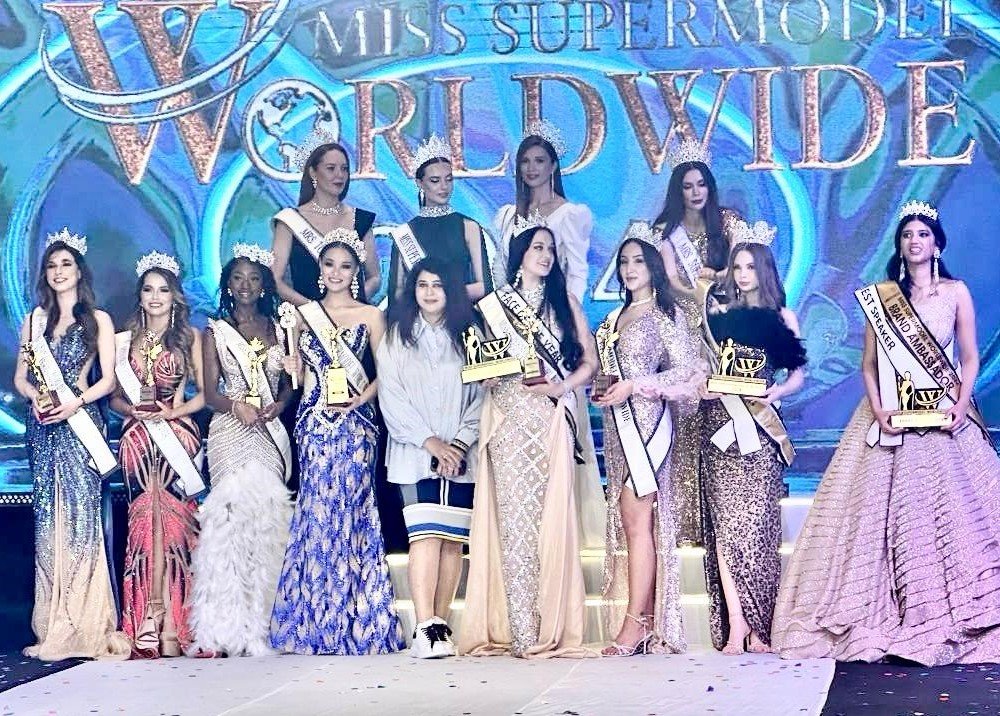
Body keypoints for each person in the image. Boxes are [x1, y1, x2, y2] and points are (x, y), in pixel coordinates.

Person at [772, 201, 1000, 665]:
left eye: (923, 234)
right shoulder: (882, 298)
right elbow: (869, 366)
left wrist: (960, 405)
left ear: (937, 244)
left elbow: (970, 356)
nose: (914, 242)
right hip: (890, 419)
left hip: (942, 416)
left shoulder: (955, 292)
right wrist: (878, 410)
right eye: (907, 235)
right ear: (899, 245)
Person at [459, 217, 598, 658]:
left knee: (550, 521)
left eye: (550, 249)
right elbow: (481, 362)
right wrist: (485, 375)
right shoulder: (493, 306)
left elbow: (590, 363)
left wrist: (562, 387)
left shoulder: (564, 303)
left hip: (550, 421)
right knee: (514, 522)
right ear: (519, 255)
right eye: (537, 247)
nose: (545, 256)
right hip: (507, 421)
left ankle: (548, 625)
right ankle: (520, 629)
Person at [270, 230, 404, 655]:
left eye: (346, 266)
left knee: (353, 510)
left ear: (356, 272)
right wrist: (289, 363)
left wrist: (359, 401)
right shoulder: (302, 316)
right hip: (314, 424)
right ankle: (315, 620)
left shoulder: (371, 316)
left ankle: (355, 618)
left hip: (357, 425)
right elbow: (297, 378)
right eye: (329, 265)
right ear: (319, 270)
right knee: (317, 511)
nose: (336, 273)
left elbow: (388, 373)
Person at [13, 228, 128, 660]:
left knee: (80, 520)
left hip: (79, 424)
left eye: (66, 264)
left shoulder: (98, 319)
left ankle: (84, 624)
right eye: (52, 265)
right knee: (49, 521)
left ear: (80, 271)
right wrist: (36, 398)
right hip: (43, 428)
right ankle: (51, 625)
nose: (59, 271)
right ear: (45, 273)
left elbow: (109, 381)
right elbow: (21, 378)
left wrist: (74, 402)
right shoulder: (33, 321)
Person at [592, 223, 706, 656]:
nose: (630, 268)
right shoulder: (612, 319)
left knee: (637, 518)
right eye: (624, 261)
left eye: (638, 260)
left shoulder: (664, 314)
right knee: (631, 522)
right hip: (619, 430)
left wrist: (637, 385)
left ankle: (636, 623)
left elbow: (689, 371)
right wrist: (605, 389)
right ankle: (642, 619)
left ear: (653, 266)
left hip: (650, 427)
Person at [699, 221, 806, 655]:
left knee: (758, 529)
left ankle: (761, 623)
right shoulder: (719, 318)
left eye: (750, 267)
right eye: (737, 267)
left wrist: (774, 393)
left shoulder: (782, 318)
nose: (743, 275)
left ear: (765, 270)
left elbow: (797, 374)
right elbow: (705, 368)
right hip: (721, 432)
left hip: (760, 431)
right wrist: (706, 385)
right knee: (726, 530)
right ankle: (736, 624)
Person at [189, 245, 294, 657]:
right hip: (230, 431)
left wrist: (279, 405)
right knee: (229, 524)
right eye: (238, 278)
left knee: (267, 520)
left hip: (267, 430)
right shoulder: (215, 331)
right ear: (228, 285)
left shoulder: (279, 327)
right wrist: (237, 407)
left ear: (264, 284)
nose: (246, 285)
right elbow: (210, 393)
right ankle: (223, 627)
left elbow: (288, 385)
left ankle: (264, 622)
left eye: (253, 278)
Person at [376, 257, 483, 658]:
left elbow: (481, 394)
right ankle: (424, 626)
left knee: (452, 540)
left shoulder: (469, 335)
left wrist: (459, 443)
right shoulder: (397, 337)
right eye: (423, 285)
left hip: (461, 456)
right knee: (424, 534)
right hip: (414, 455)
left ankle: (442, 625)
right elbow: (392, 398)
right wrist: (432, 443)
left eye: (437, 285)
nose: (430, 292)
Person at [110, 253, 206, 658]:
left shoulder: (190, 337)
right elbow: (115, 398)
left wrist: (172, 414)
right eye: (148, 289)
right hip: (136, 438)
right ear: (140, 295)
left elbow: (206, 395)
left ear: (174, 296)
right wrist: (132, 410)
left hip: (176, 435)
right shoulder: (123, 341)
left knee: (174, 528)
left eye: (163, 290)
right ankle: (146, 620)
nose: (155, 297)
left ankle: (176, 625)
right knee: (144, 527)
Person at [654, 140, 745, 547]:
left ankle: (725, 507)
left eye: (701, 184)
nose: (695, 192)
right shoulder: (667, 233)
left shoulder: (727, 223)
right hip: (686, 330)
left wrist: (718, 279)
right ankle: (688, 517)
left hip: (725, 327)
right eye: (688, 186)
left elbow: (746, 266)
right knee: (686, 417)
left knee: (725, 412)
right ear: (679, 190)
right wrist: (699, 291)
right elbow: (672, 282)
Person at [271, 138, 381, 305]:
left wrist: (351, 306)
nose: (340, 175)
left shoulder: (361, 219)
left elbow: (375, 277)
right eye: (331, 168)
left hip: (352, 317)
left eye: (344, 169)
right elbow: (275, 280)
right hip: (307, 317)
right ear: (313, 173)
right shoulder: (289, 221)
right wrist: (315, 312)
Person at [491, 120, 591, 301]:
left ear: (553, 166)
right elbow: (500, 269)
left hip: (552, 310)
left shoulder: (569, 215)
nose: (531, 168)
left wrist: (568, 312)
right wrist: (505, 307)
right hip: (512, 310)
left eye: (539, 161)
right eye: (525, 161)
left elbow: (577, 274)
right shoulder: (508, 215)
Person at [386, 134, 491, 305]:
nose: (444, 187)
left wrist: (442, 295)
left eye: (448, 180)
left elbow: (484, 286)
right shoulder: (405, 233)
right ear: (419, 183)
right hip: (418, 318)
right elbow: (396, 292)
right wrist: (427, 299)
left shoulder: (469, 226)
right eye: (435, 181)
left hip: (461, 315)